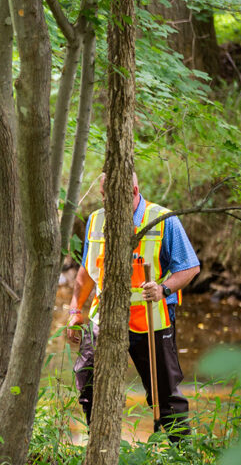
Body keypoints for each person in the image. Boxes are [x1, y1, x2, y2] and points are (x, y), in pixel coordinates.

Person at [66, 172, 200, 441]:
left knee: (165, 394)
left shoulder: (163, 219)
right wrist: (74, 310)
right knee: (88, 381)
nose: (107, 203)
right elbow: (85, 271)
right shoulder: (96, 220)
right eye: (104, 196)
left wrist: (163, 289)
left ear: (134, 191)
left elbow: (190, 267)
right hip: (103, 317)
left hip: (151, 319)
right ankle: (99, 446)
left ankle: (182, 456)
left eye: (112, 197)